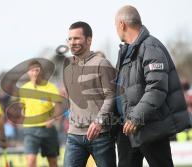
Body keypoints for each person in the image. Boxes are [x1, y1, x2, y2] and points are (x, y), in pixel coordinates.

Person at [114, 5, 191, 167]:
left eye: (116, 26)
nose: (116, 30)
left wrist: (136, 117)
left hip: (150, 128)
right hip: (127, 132)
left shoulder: (150, 47)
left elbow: (156, 88)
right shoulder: (125, 52)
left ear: (122, 24)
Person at [63, 21, 117, 167]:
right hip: (74, 135)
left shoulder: (102, 64)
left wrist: (99, 121)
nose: (72, 42)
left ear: (89, 40)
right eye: (70, 39)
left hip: (101, 135)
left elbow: (111, 96)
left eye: (76, 38)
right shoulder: (67, 70)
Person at [19, 60, 62, 167]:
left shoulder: (50, 87)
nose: (35, 73)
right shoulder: (24, 89)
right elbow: (22, 106)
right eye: (32, 71)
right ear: (28, 72)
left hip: (47, 129)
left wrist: (53, 118)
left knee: (52, 162)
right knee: (31, 162)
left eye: (37, 70)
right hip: (30, 129)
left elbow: (58, 106)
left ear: (41, 71)